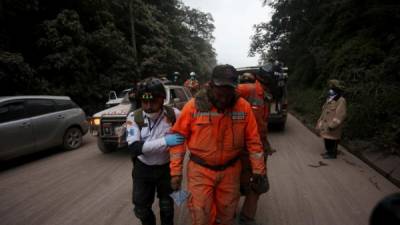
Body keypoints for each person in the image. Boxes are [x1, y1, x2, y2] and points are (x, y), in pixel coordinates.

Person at [169, 64, 267, 225]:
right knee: (201, 214)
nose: (224, 98)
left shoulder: (243, 107)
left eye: (228, 93)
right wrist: (175, 172)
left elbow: (253, 141)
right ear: (211, 85)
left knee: (227, 214)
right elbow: (178, 139)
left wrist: (258, 170)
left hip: (231, 171)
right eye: (220, 92)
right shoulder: (193, 107)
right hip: (200, 171)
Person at [126, 77, 185, 225]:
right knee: (141, 209)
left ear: (162, 99)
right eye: (144, 101)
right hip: (143, 169)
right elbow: (134, 148)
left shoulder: (174, 114)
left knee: (167, 207)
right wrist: (165, 141)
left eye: (153, 101)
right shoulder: (134, 117)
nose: (149, 105)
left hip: (166, 168)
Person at [236, 65, 274, 225]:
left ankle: (246, 217)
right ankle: (227, 214)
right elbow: (219, 92)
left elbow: (262, 124)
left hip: (257, 146)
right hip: (242, 147)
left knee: (257, 183)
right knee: (236, 182)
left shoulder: (266, 96)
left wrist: (265, 143)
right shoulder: (248, 89)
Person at [315, 79, 347, 159]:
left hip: (333, 126)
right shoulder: (330, 99)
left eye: (332, 88)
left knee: (332, 140)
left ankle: (332, 154)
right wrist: (320, 122)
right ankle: (328, 152)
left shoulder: (341, 100)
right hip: (326, 125)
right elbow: (324, 112)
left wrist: (333, 125)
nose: (330, 90)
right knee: (327, 139)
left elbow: (341, 114)